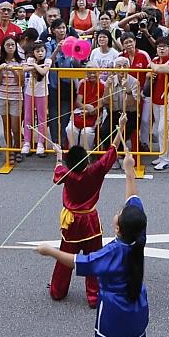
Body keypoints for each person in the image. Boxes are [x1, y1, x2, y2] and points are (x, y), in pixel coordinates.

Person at [36, 148, 147, 337]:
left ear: (119, 228)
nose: (119, 212)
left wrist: (49, 251)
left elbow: (76, 261)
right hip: (138, 310)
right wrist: (129, 169)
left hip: (113, 317)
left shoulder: (111, 253)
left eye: (119, 215)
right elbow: (132, 197)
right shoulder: (140, 236)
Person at [48, 116, 123, 306]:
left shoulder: (68, 174)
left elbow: (56, 176)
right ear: (87, 159)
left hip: (72, 222)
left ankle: (58, 290)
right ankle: (94, 295)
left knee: (65, 257)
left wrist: (58, 156)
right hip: (90, 220)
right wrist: (120, 127)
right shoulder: (95, 170)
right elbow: (111, 152)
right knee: (94, 258)